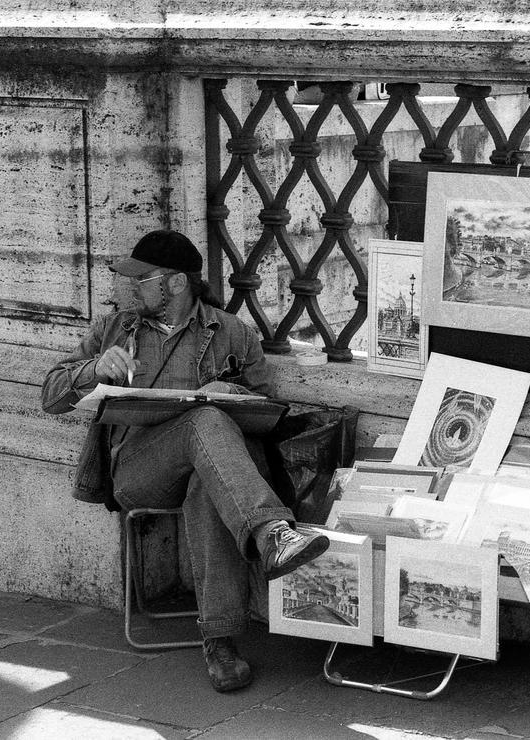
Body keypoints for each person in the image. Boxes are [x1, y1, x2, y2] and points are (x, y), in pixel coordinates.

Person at [41, 229, 329, 693]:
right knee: (204, 421)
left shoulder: (231, 332)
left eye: (141, 280)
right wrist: (93, 369)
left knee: (207, 465)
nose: (129, 288)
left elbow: (268, 416)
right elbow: (49, 396)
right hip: (138, 472)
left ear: (176, 283)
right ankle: (273, 532)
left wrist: (231, 394)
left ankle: (220, 640)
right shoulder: (114, 329)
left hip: (209, 474)